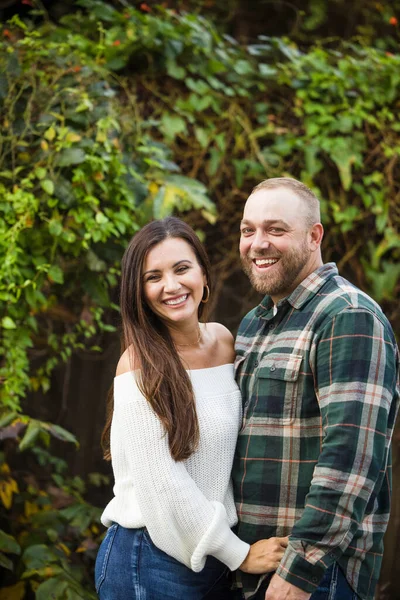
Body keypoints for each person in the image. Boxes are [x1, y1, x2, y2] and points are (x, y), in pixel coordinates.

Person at [95, 217, 288, 600]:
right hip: (149, 558)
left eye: (182, 268)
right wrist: (241, 555)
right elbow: (164, 485)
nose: (171, 286)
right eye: (153, 277)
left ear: (203, 272)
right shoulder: (138, 365)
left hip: (210, 558)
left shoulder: (224, 341)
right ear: (139, 291)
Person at [232, 177, 399, 600]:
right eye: (248, 230)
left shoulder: (348, 316)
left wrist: (301, 569)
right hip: (250, 567)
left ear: (314, 235)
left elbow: (352, 456)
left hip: (314, 576)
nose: (257, 243)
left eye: (275, 229)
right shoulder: (255, 323)